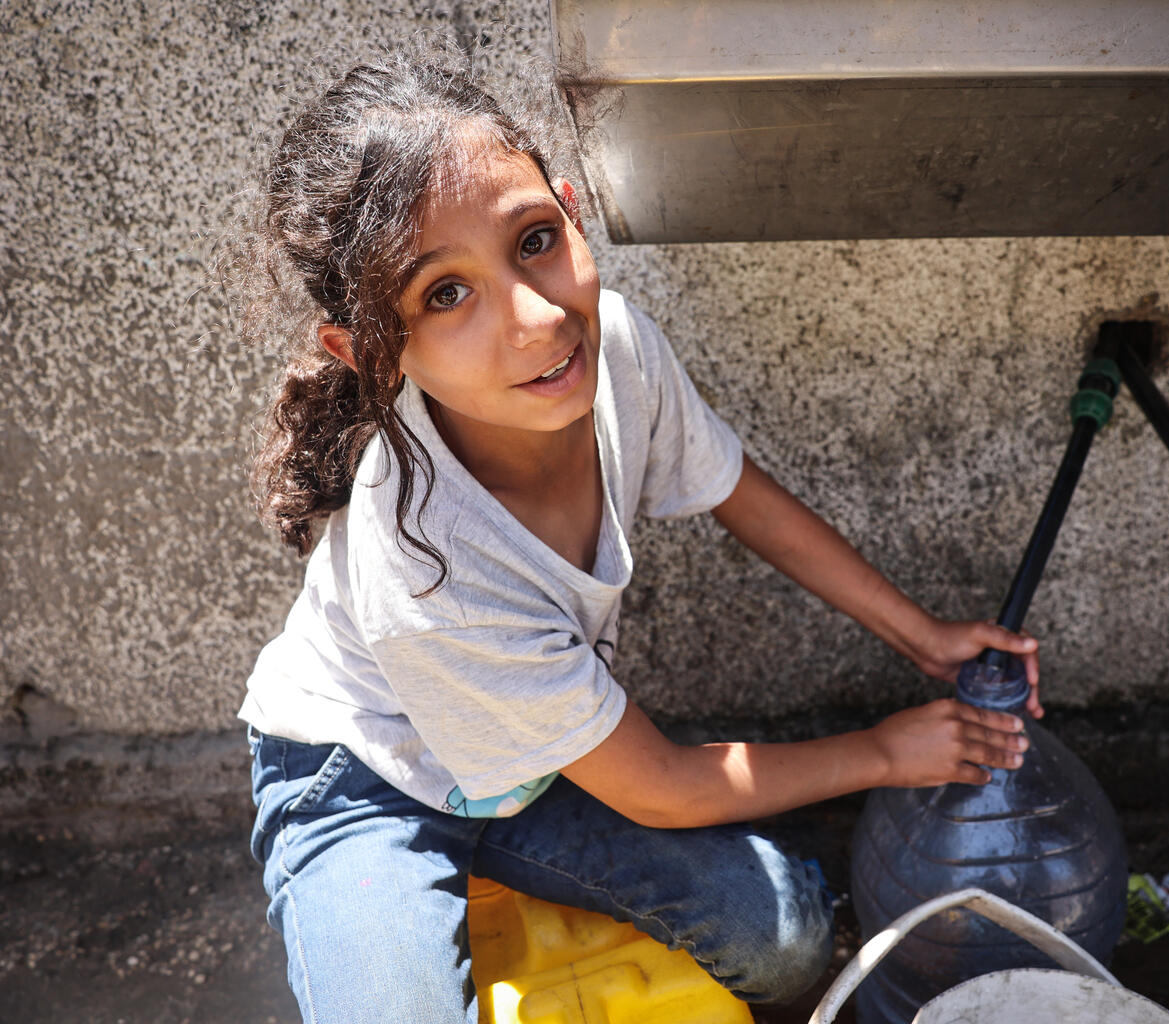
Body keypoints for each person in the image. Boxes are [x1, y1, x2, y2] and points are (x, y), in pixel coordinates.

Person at [236, 46, 1041, 1024]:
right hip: (367, 776)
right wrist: (879, 750)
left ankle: (518, 873)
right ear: (369, 353)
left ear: (571, 210)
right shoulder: (426, 566)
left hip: (533, 773)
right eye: (444, 294)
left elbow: (737, 489)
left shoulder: (614, 349)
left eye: (533, 239)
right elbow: (660, 785)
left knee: (786, 938)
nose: (535, 318)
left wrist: (921, 635)